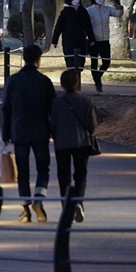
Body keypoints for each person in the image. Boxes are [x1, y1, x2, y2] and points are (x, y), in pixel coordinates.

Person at [2, 44, 56, 223]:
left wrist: (5, 132)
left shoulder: (12, 81)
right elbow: (52, 109)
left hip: (19, 131)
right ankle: (39, 200)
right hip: (40, 130)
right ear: (38, 60)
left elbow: (6, 108)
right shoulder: (44, 82)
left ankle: (25, 209)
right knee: (43, 168)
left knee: (22, 170)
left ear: (24, 58)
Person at [50, 69, 98, 223]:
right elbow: (92, 125)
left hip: (62, 143)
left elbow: (52, 124)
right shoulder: (86, 100)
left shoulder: (56, 102)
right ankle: (78, 202)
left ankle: (67, 208)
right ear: (77, 83)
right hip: (82, 141)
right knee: (80, 175)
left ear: (62, 84)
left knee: (63, 176)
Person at [86, 0, 124, 92]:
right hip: (93, 41)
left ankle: (97, 77)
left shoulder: (107, 9)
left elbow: (118, 14)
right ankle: (98, 84)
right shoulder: (89, 10)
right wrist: (89, 38)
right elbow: (86, 25)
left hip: (105, 40)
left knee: (106, 62)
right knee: (94, 62)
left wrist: (120, 9)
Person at [51, 0, 96, 69]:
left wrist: (91, 39)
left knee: (80, 63)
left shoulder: (83, 11)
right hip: (69, 41)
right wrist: (55, 40)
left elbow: (88, 26)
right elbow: (59, 27)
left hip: (81, 40)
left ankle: (77, 78)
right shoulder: (65, 12)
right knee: (71, 63)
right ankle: (72, 78)